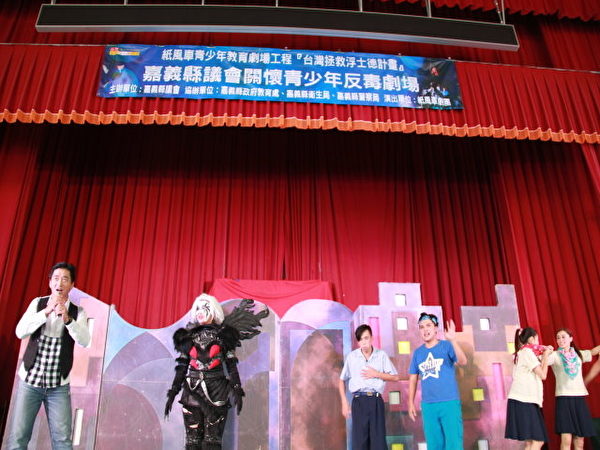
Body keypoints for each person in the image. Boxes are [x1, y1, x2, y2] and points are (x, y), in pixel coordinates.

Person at [164, 294, 268, 450]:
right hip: (191, 392)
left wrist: (237, 389)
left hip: (217, 392)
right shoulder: (187, 336)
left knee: (212, 441)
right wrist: (173, 391)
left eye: (204, 307)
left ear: (213, 310)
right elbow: (182, 366)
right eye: (197, 308)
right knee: (192, 441)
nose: (200, 312)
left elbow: (231, 365)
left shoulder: (224, 335)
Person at [7, 262, 91, 450]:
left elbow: (85, 341)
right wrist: (45, 312)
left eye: (65, 279)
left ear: (72, 285)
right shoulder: (37, 303)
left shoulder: (78, 312)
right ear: (50, 282)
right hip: (30, 382)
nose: (59, 283)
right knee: (18, 439)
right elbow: (20, 332)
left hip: (58, 386)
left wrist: (68, 320)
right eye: (56, 278)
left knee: (63, 441)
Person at [407, 312, 467, 450]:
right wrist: (410, 402)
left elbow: (463, 361)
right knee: (434, 445)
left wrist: (453, 340)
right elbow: (413, 378)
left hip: (449, 403)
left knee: (454, 443)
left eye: (428, 325)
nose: (425, 329)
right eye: (421, 327)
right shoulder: (418, 353)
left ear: (436, 328)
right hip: (428, 405)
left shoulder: (446, 346)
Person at [338, 324, 398, 450]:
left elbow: (395, 377)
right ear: (358, 342)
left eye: (366, 338)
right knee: (359, 443)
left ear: (372, 338)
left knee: (378, 442)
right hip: (359, 402)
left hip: (376, 400)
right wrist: (344, 402)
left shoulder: (381, 355)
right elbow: (341, 380)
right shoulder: (352, 357)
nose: (364, 342)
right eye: (360, 340)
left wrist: (376, 374)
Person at [550, 328, 600, 449]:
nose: (560, 340)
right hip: (564, 399)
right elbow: (541, 360)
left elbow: (593, 351)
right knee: (566, 440)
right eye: (558, 338)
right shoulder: (554, 355)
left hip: (579, 399)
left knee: (580, 440)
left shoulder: (578, 354)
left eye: (563, 337)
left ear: (571, 338)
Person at [504, 327, 553, 450]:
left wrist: (544, 352)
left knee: (530, 443)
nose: (538, 342)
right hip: (524, 400)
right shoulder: (527, 352)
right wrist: (545, 355)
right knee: (538, 441)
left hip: (523, 400)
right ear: (531, 339)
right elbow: (543, 375)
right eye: (537, 339)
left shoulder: (522, 352)